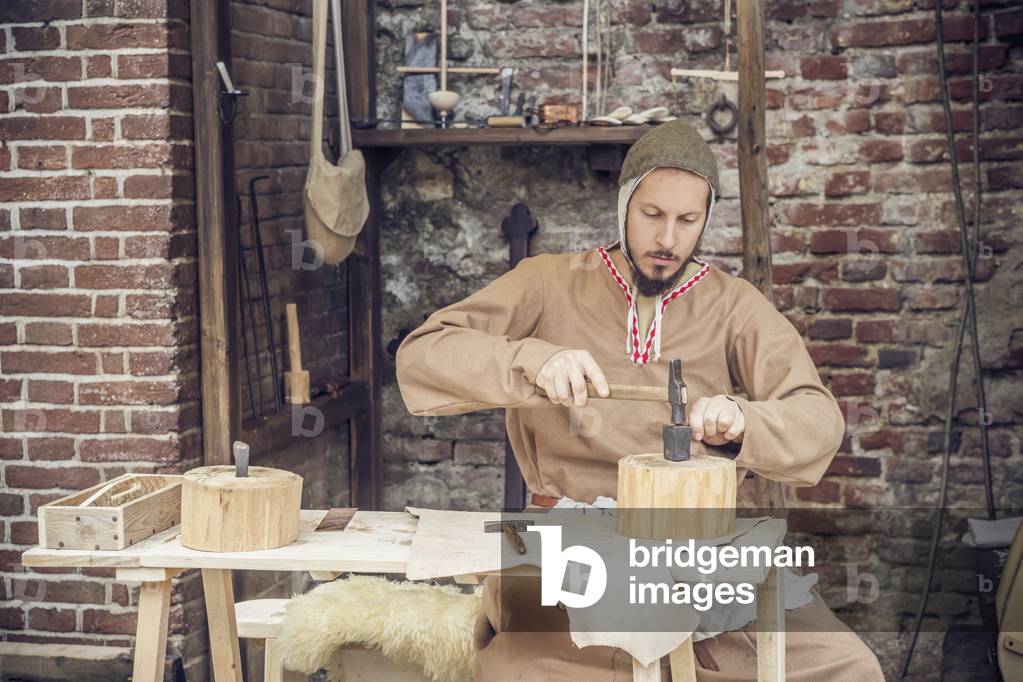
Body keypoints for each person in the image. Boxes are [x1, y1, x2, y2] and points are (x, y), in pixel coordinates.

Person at [396, 120, 883, 681]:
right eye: (652, 215)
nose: (667, 240)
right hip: (568, 546)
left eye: (687, 220)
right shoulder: (548, 282)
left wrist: (746, 419)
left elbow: (818, 418)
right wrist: (532, 360)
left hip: (695, 555)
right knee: (528, 673)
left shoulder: (735, 307)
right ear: (624, 204)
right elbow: (423, 356)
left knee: (847, 666)